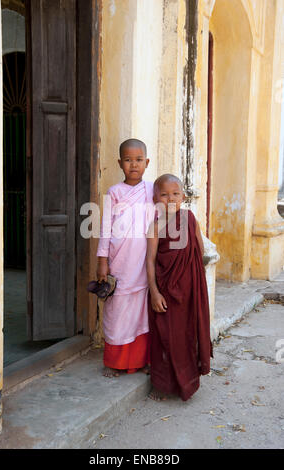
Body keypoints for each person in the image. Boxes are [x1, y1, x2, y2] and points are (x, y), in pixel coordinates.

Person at [146, 174, 213, 401]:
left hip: (189, 290)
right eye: (164, 195)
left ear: (183, 197)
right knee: (165, 336)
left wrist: (196, 283)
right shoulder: (155, 226)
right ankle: (162, 384)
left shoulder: (190, 218)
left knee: (186, 335)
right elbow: (150, 260)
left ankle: (188, 381)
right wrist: (154, 292)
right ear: (155, 199)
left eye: (175, 194)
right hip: (165, 290)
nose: (170, 199)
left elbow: (199, 250)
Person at [96, 138, 154, 378]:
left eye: (138, 160)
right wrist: (102, 260)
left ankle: (140, 360)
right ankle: (114, 362)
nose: (133, 165)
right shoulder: (114, 192)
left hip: (142, 263)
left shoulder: (151, 190)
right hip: (118, 262)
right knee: (117, 311)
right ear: (120, 163)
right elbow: (104, 229)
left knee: (140, 313)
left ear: (147, 162)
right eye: (128, 160)